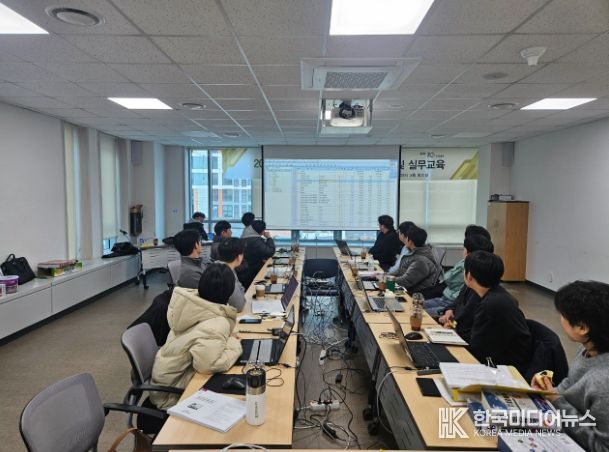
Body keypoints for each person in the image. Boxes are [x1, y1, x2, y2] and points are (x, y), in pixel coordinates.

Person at [150, 264, 243, 409]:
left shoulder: (192, 305)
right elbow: (207, 366)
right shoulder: (216, 324)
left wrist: (226, 337)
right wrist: (235, 345)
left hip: (165, 381)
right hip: (173, 394)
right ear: (229, 291)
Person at [531, 281, 609, 451]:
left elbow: (602, 446)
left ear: (582, 327)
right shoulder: (589, 348)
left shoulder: (603, 382)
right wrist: (551, 391)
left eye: (563, 314)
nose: (561, 318)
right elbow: (572, 380)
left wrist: (557, 401)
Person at [464, 251, 532, 375]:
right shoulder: (497, 295)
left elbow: (477, 349)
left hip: (505, 369)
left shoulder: (490, 305)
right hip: (510, 360)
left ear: (469, 276)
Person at [424, 234, 494, 317]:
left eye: (464, 248)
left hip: (449, 302)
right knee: (416, 307)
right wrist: (450, 309)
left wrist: (450, 312)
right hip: (448, 302)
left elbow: (464, 315)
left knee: (420, 313)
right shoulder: (472, 284)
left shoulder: (475, 286)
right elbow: (458, 302)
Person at [389, 226, 440, 293]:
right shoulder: (415, 253)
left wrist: (386, 279)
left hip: (415, 294)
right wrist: (386, 276)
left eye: (406, 237)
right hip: (407, 290)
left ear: (410, 241)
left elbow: (405, 281)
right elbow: (402, 272)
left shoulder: (420, 261)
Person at [242, 219, 275, 287]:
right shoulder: (254, 240)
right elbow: (270, 252)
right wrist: (269, 238)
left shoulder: (247, 236)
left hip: (248, 269)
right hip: (252, 272)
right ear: (262, 231)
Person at [217, 237, 247, 312]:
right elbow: (239, 306)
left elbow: (241, 288)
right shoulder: (226, 274)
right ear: (239, 257)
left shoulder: (218, 266)